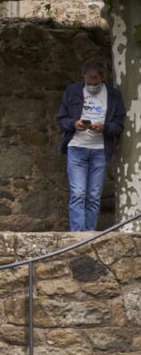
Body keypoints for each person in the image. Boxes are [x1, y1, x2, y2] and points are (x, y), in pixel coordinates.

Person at [56, 59, 126, 232]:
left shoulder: (114, 95)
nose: (92, 86)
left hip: (100, 150)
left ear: (103, 78)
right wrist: (74, 124)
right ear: (84, 77)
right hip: (76, 147)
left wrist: (104, 128)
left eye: (96, 84)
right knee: (78, 193)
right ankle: (78, 235)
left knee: (94, 196)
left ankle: (89, 234)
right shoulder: (72, 91)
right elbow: (61, 119)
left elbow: (119, 125)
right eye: (89, 83)